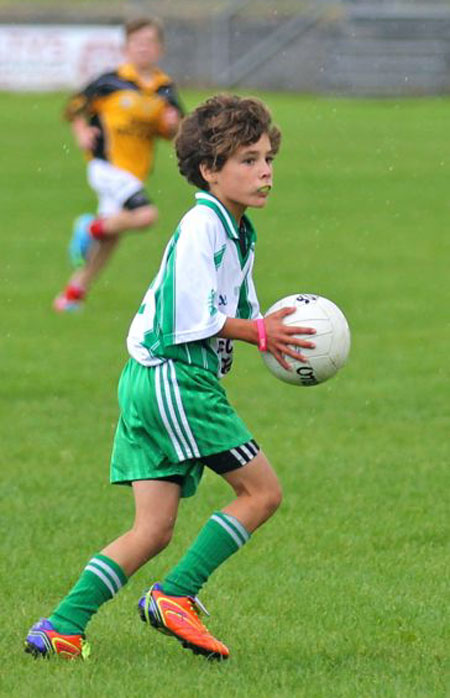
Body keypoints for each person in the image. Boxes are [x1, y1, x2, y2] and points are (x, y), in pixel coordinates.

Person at [25, 94, 316, 661]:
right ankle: (174, 595)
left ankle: (61, 626)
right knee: (262, 493)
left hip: (154, 380)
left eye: (267, 159)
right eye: (248, 161)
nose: (264, 172)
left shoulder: (239, 230)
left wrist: (269, 334)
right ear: (210, 170)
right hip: (176, 380)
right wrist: (259, 334)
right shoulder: (202, 223)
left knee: (153, 530)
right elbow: (191, 321)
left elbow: (240, 309)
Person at [53, 17, 184, 312]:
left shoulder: (165, 89)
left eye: (150, 43)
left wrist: (171, 125)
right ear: (126, 48)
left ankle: (73, 293)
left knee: (110, 240)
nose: (143, 49)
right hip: (106, 167)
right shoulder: (109, 82)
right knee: (146, 215)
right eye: (137, 43)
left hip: (135, 172)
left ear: (160, 49)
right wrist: (82, 131)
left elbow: (174, 130)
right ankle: (89, 228)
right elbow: (74, 108)